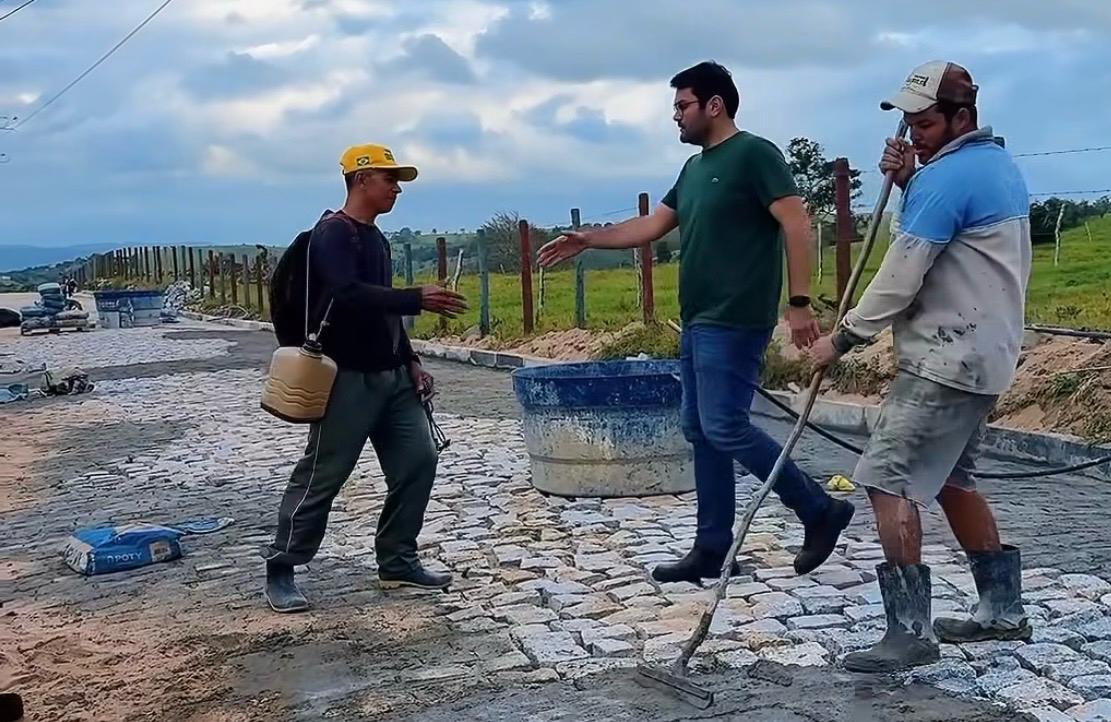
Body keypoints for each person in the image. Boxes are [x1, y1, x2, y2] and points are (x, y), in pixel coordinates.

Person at [539, 61, 854, 584]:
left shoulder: (754, 154)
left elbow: (796, 221)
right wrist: (588, 238)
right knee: (700, 428)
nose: (676, 118)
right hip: (698, 319)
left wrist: (799, 302)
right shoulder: (693, 170)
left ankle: (819, 509)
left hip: (736, 317)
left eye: (683, 106)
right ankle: (710, 546)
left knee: (725, 424)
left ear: (715, 104)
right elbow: (652, 224)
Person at [806, 61, 1033, 672]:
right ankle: (1003, 610)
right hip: (985, 352)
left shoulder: (947, 179)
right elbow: (955, 242)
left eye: (926, 122)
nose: (913, 133)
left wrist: (844, 336)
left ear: (963, 117)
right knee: (955, 479)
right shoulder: (995, 167)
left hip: (944, 358)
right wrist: (912, 181)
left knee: (888, 478)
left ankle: (910, 633)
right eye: (908, 122)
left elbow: (903, 275)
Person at [261, 144, 468, 613]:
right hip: (344, 380)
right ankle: (282, 566)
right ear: (361, 179)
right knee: (322, 476)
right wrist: (415, 298)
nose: (396, 188)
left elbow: (380, 311)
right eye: (389, 178)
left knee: (419, 460)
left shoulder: (376, 239)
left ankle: (397, 560)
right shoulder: (332, 234)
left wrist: (410, 359)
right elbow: (347, 294)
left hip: (392, 378)